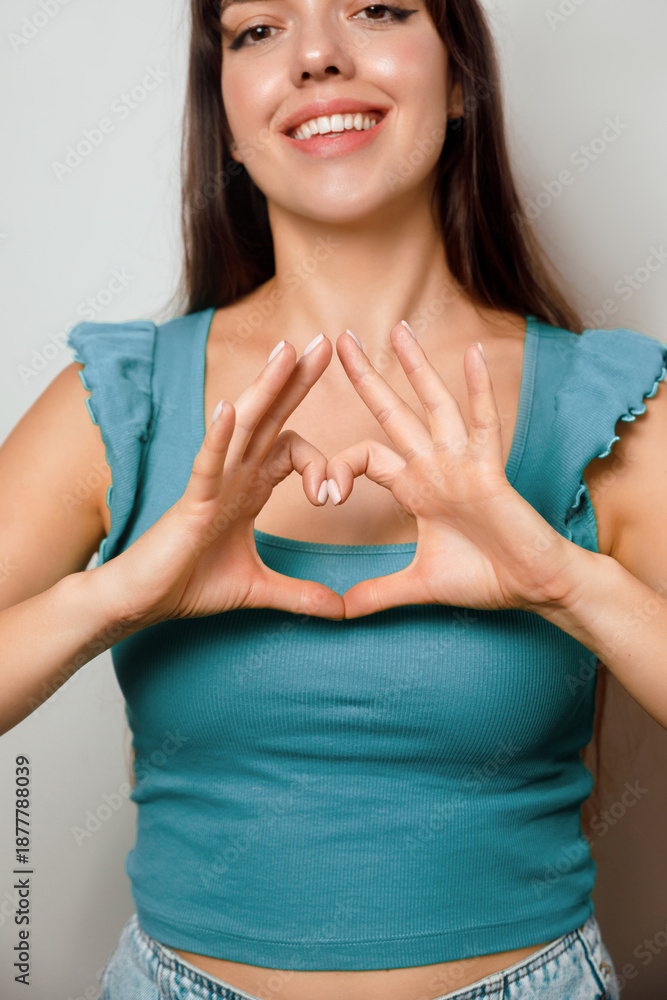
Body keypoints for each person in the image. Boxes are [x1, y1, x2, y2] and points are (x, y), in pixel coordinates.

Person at [1, 0, 665, 996]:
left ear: (460, 77)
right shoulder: (120, 398)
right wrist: (119, 595)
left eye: (376, 8)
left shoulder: (603, 403)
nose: (316, 55)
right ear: (226, 115)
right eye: (258, 30)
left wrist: (564, 585)